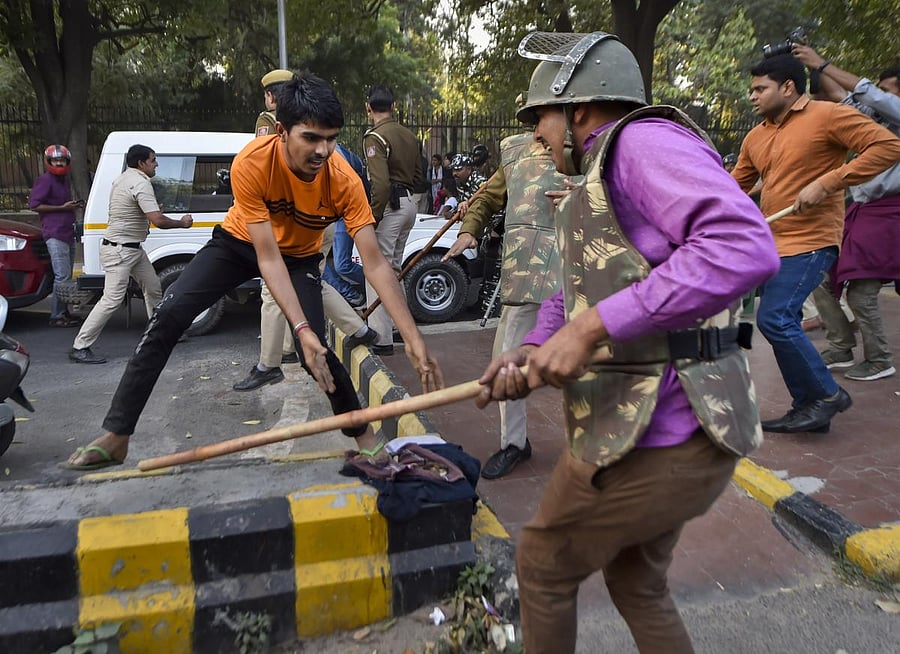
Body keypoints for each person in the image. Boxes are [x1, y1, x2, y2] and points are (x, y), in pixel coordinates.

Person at [475, 31, 779, 654]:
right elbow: (580, 284)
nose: (535, 137)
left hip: (663, 432)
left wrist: (590, 329)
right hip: (638, 426)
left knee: (541, 566)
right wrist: (537, 344)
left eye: (539, 120)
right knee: (637, 582)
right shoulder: (594, 175)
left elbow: (742, 247)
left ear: (579, 109)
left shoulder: (641, 143)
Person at [63, 73, 442, 470]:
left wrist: (411, 337)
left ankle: (365, 437)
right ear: (282, 132)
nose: (323, 151)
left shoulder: (343, 180)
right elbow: (266, 258)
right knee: (168, 314)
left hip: (299, 258)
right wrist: (300, 328)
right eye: (311, 138)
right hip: (238, 244)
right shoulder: (253, 162)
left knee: (316, 353)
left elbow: (376, 263)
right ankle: (117, 434)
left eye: (331, 139)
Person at [731, 54, 900, 432]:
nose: (752, 96)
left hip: (812, 240)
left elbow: (889, 146)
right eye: (752, 90)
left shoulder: (828, 115)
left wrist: (828, 182)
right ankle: (810, 408)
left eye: (760, 88)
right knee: (779, 319)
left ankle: (825, 395)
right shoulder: (756, 136)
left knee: (774, 317)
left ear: (788, 87)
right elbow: (732, 187)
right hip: (772, 242)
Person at [444, 129, 571, 479]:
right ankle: (514, 443)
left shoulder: (595, 145)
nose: (540, 126)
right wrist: (469, 230)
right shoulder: (516, 151)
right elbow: (488, 197)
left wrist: (586, 199)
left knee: (592, 361)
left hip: (581, 272)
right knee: (507, 359)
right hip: (529, 272)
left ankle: (598, 446)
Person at [792, 46, 900, 381]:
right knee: (819, 275)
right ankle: (840, 346)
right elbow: (843, 97)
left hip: (890, 213)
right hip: (862, 211)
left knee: (861, 292)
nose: (882, 95)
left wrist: (822, 63)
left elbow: (867, 93)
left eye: (890, 90)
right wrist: (812, 66)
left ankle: (879, 359)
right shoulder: (876, 120)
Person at [68, 145, 193, 364]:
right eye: (153, 160)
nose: (156, 164)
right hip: (121, 251)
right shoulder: (140, 182)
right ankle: (80, 346)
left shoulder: (124, 178)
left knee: (153, 287)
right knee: (111, 300)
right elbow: (159, 221)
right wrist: (182, 223)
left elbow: (134, 209)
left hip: (131, 249)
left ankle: (160, 332)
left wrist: (151, 211)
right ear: (141, 163)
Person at [363, 84, 423, 356]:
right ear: (393, 106)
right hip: (408, 204)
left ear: (368, 107)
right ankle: (400, 327)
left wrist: (373, 216)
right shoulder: (409, 135)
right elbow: (419, 177)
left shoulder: (375, 137)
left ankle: (382, 337)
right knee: (394, 268)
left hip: (390, 206)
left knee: (376, 269)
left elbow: (380, 184)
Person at [28, 144, 82, 328]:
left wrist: (72, 206)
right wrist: (62, 208)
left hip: (67, 232)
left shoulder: (63, 180)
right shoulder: (45, 180)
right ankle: (57, 315)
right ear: (48, 162)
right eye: (55, 160)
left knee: (65, 276)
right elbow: (34, 205)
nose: (59, 163)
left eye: (62, 160)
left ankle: (64, 312)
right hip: (55, 233)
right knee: (62, 276)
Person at [255, 69, 293, 137]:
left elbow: (265, 143)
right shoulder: (305, 115)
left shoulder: (267, 119)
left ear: (270, 96)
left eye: (265, 97)